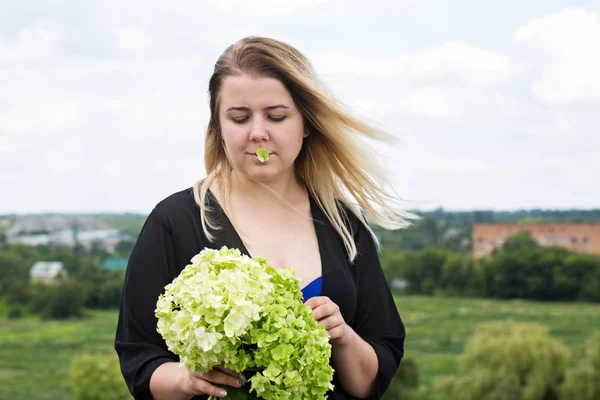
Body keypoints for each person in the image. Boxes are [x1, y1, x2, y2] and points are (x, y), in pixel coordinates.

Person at [115, 36, 415, 400]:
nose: (258, 132)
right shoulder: (174, 222)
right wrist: (186, 379)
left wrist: (343, 337)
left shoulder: (344, 224)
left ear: (306, 123)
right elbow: (139, 362)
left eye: (276, 116)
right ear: (218, 126)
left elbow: (372, 381)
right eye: (239, 117)